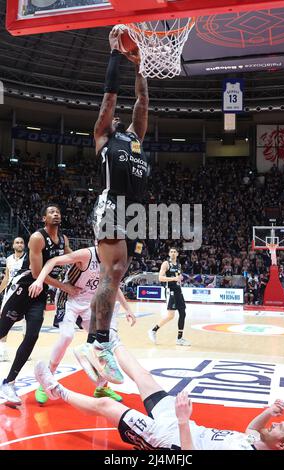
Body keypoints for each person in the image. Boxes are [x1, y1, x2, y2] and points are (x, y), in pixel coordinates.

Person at [74, 26, 149, 384]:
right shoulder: (104, 137)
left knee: (114, 276)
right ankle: (101, 341)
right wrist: (114, 56)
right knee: (112, 273)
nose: (116, 116)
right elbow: (109, 98)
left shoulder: (135, 138)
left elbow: (142, 103)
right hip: (113, 204)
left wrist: (140, 66)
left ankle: (95, 338)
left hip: (135, 211)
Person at [34, 351, 284, 450]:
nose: (275, 425)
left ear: (282, 446)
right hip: (182, 426)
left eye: (280, 427)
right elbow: (251, 431)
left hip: (170, 441)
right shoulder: (258, 443)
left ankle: (56, 389)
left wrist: (183, 421)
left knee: (108, 406)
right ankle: (109, 339)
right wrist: (269, 411)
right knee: (145, 377)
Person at [28, 245, 136, 404]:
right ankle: (46, 381)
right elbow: (53, 260)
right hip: (69, 299)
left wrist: (128, 308)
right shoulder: (86, 255)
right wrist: (39, 280)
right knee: (66, 336)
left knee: (102, 341)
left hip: (89, 303)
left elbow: (113, 285)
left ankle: (102, 387)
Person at [0, 204, 78, 406]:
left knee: (32, 335)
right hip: (22, 289)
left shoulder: (63, 240)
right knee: (1, 332)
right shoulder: (37, 238)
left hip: (40, 293)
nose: (56, 214)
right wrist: (65, 287)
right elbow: (36, 274)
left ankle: (9, 382)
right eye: (51, 212)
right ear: (44, 218)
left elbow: (75, 259)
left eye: (58, 212)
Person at [148, 247, 191, 346]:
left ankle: (179, 339)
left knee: (183, 313)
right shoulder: (166, 264)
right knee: (170, 315)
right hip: (170, 291)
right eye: (171, 251)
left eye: (174, 252)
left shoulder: (179, 265)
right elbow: (160, 278)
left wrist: (179, 279)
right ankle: (153, 330)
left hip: (178, 291)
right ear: (169, 253)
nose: (172, 253)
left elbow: (177, 278)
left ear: (177, 254)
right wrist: (174, 278)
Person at [0, 237, 26, 361]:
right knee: (3, 321)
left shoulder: (28, 258)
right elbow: (6, 277)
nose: (19, 244)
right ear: (13, 245)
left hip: (24, 294)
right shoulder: (9, 259)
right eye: (17, 242)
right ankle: (2, 352)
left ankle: (26, 351)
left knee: (26, 324)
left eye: (21, 242)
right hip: (9, 294)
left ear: (24, 245)